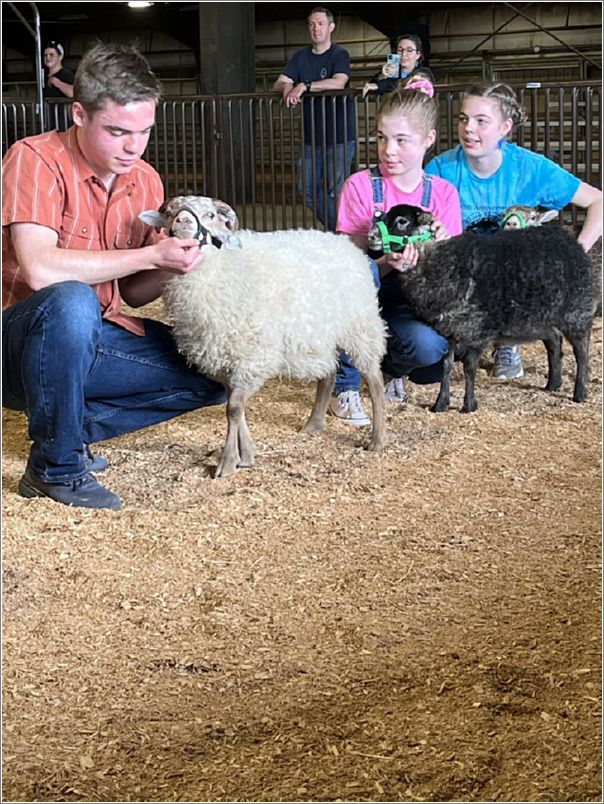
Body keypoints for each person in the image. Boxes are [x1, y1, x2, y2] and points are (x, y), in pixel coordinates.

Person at [2, 42, 226, 511]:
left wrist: (176, 264)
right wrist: (149, 256)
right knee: (71, 300)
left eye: (144, 131)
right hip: (16, 345)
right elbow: (40, 268)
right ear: (79, 114)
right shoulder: (34, 159)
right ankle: (55, 467)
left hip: (95, 337)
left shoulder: (145, 180)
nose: (133, 146)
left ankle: (69, 427)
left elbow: (132, 295)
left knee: (217, 373)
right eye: (118, 131)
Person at [425, 81, 603, 379]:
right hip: (462, 278)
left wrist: (577, 253)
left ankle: (508, 343)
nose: (469, 128)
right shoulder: (441, 169)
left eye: (482, 121)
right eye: (463, 119)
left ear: (505, 127)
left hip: (514, 280)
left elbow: (598, 200)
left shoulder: (530, 168)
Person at [328, 84, 462, 425]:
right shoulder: (360, 186)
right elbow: (349, 270)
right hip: (366, 297)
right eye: (382, 138)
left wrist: (441, 249)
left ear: (428, 139)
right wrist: (387, 262)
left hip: (413, 303)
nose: (388, 150)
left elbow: (455, 278)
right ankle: (343, 385)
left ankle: (390, 370)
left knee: (430, 351)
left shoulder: (443, 194)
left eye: (402, 140)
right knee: (354, 281)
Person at [272, 6, 356, 231]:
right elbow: (279, 82)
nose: (315, 28)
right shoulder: (300, 57)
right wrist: (288, 86)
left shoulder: (340, 54)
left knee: (336, 189)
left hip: (339, 134)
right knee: (306, 188)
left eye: (320, 23)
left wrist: (305, 85)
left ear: (331, 27)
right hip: (312, 136)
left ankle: (342, 232)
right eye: (311, 24)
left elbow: (339, 82)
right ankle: (339, 231)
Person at [362, 35, 434, 99]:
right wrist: (383, 75)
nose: (403, 54)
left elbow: (406, 84)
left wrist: (380, 86)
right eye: (400, 50)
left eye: (409, 50)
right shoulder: (393, 71)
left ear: (418, 55)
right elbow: (371, 84)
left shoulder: (424, 72)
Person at [43, 40, 74, 131]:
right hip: (49, 120)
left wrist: (56, 82)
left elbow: (72, 92)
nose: (48, 58)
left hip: (62, 122)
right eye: (46, 55)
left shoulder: (66, 74)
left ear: (60, 57)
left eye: (51, 55)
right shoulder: (44, 76)